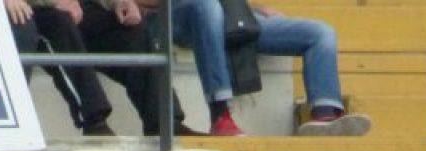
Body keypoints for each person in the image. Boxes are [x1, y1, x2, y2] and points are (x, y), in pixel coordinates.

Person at [151, 0, 373, 136]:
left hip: (231, 16)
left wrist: (253, 7)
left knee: (320, 33)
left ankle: (325, 116)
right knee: (207, 6)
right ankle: (220, 116)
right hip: (176, 15)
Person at [7, 0, 188, 137]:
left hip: (76, 8)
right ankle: (95, 123)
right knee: (59, 23)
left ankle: (166, 123)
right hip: (29, 11)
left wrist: (118, 2)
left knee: (133, 31)